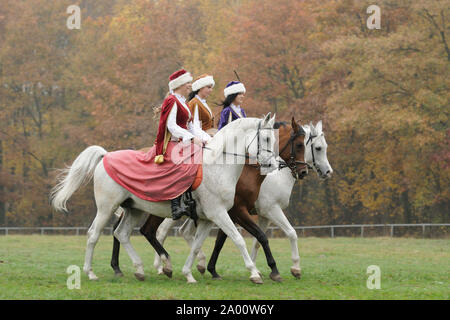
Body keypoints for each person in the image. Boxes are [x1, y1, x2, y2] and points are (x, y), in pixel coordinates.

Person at [155, 69, 212, 220]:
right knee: (182, 165)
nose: (190, 85)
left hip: (184, 142)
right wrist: (191, 138)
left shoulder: (183, 102)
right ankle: (175, 206)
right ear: (179, 84)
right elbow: (172, 126)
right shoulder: (172, 100)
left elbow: (192, 126)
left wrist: (209, 139)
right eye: (188, 83)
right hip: (173, 143)